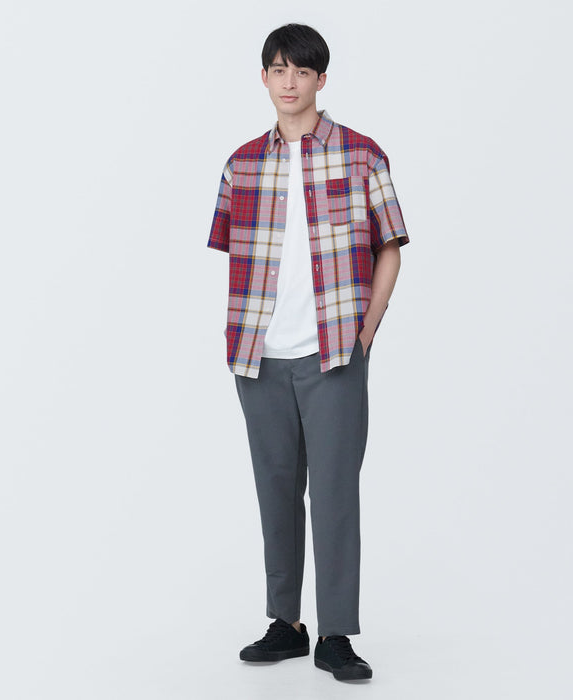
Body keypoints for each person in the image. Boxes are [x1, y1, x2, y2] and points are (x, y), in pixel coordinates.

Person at [207, 23, 409, 682]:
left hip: (334, 355)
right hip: (258, 357)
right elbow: (237, 257)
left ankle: (336, 634)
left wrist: (365, 333)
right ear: (264, 78)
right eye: (278, 70)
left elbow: (389, 248)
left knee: (334, 494)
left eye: (301, 71)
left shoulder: (362, 155)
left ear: (322, 79)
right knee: (275, 490)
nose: (289, 83)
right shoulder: (241, 164)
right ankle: (285, 623)